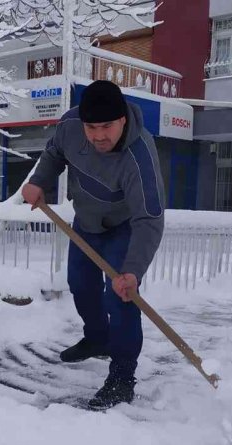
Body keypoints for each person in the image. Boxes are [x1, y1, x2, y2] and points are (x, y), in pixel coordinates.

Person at [22, 80, 165, 410]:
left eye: (107, 126)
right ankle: (98, 338)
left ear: (123, 121)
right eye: (92, 127)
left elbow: (150, 219)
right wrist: (39, 181)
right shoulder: (71, 126)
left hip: (124, 227)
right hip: (86, 222)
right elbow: (55, 152)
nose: (99, 135)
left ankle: (122, 377)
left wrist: (132, 271)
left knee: (121, 299)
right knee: (81, 286)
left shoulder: (139, 156)